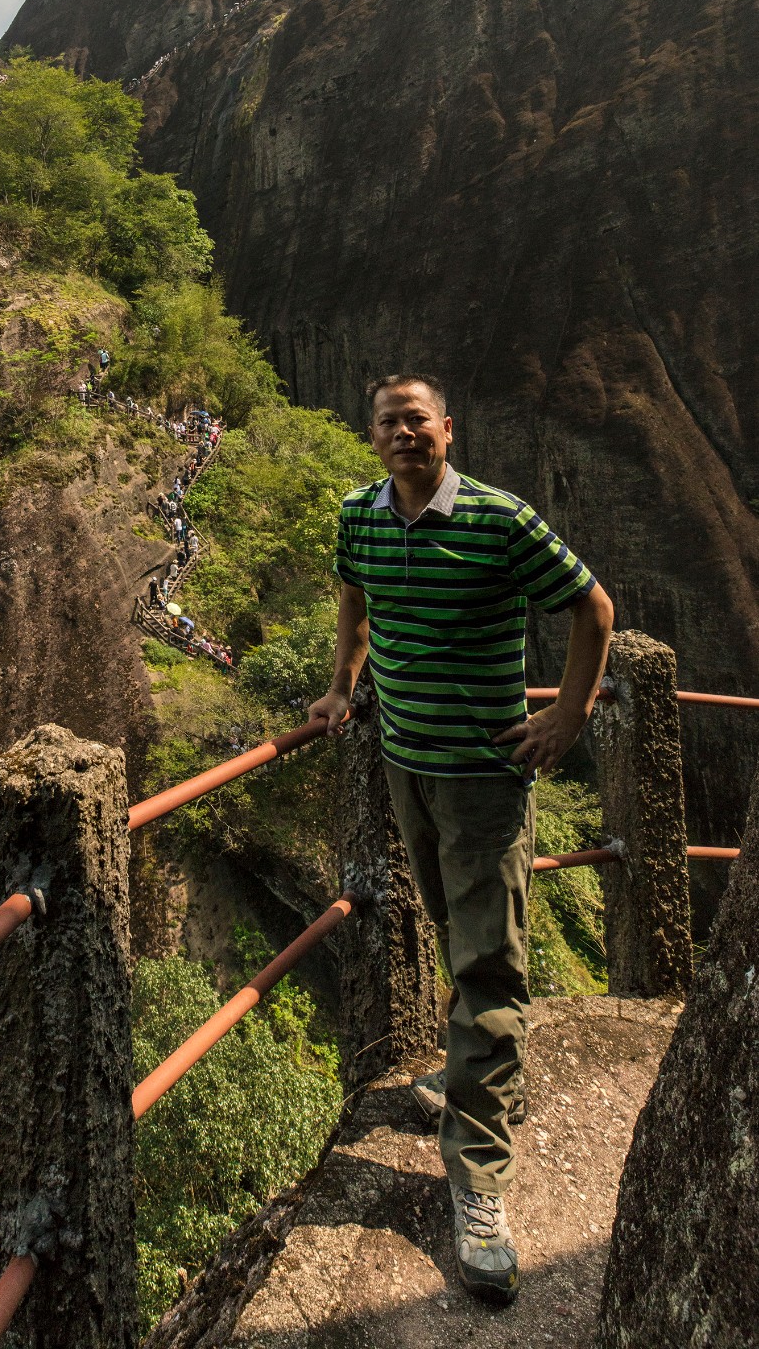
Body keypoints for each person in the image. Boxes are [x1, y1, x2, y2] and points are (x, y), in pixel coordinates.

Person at [308, 373, 612, 1307]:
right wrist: (341, 684)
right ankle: (483, 1065)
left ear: (446, 429)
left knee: (484, 967)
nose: (403, 434)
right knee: (453, 932)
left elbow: (592, 609)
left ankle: (477, 1189)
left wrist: (567, 714)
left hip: (483, 780)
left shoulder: (499, 519)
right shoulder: (359, 515)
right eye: (387, 423)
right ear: (372, 440)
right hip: (405, 762)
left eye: (416, 420)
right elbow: (355, 600)